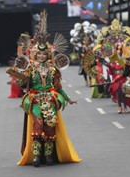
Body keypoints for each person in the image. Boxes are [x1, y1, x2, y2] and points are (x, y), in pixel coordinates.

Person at [16, 11, 81, 167]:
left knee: (50, 123)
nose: (41, 57)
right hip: (35, 98)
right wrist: (21, 80)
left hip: (50, 98)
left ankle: (49, 155)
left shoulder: (53, 69)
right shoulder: (30, 68)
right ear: (36, 55)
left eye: (44, 55)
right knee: (38, 123)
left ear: (47, 55)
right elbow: (22, 85)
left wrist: (68, 99)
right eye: (39, 54)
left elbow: (58, 88)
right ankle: (37, 155)